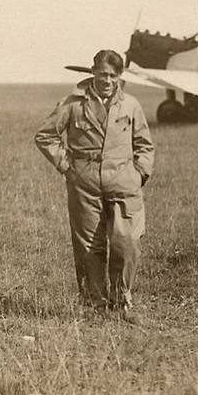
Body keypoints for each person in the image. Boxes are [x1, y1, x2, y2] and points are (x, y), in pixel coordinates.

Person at [35, 49, 155, 324]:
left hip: (124, 182)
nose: (108, 80)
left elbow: (144, 145)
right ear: (93, 73)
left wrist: (140, 174)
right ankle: (96, 305)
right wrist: (66, 165)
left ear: (120, 77)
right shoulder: (72, 103)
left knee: (127, 243)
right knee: (89, 245)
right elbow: (45, 136)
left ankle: (122, 301)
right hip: (84, 183)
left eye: (113, 75)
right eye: (103, 74)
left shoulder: (130, 105)